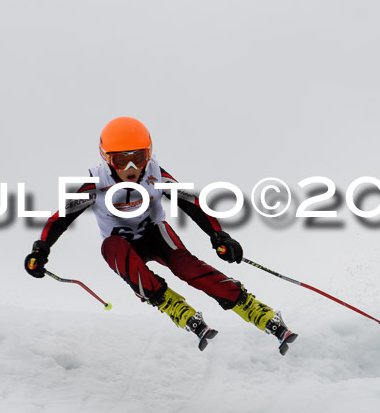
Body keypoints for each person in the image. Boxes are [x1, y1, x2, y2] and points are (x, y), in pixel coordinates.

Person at [24, 116, 297, 354]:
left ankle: (253, 308)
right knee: (111, 246)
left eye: (138, 158)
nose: (131, 169)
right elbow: (61, 217)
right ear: (106, 158)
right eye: (121, 160)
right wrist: (41, 249)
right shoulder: (96, 184)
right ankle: (170, 303)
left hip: (154, 234)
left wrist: (219, 236)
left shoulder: (155, 175)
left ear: (148, 154)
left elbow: (190, 201)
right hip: (122, 246)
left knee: (184, 265)